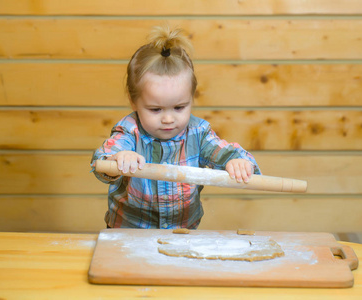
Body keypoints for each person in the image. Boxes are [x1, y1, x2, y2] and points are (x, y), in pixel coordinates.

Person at [91, 25, 261, 229]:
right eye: (156, 109)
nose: (169, 119)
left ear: (191, 97)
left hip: (182, 232)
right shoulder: (130, 130)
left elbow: (226, 152)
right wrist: (118, 159)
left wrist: (238, 162)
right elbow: (102, 163)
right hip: (129, 231)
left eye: (179, 107)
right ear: (133, 101)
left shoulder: (198, 132)